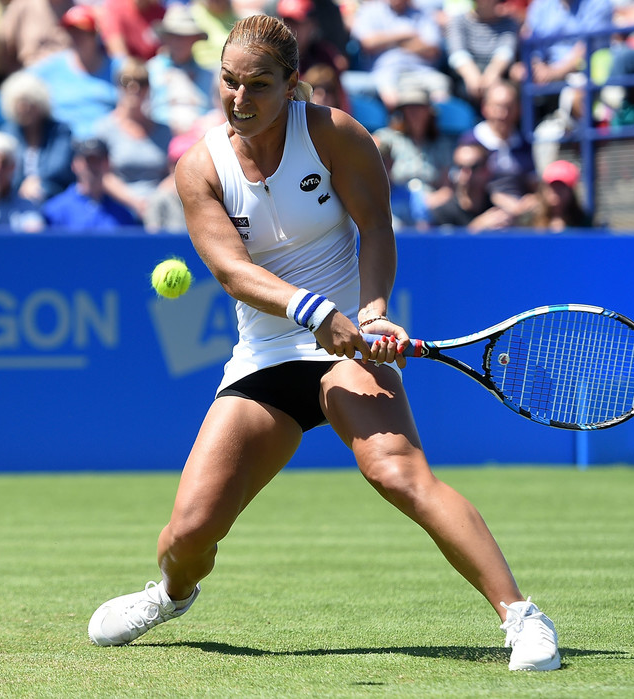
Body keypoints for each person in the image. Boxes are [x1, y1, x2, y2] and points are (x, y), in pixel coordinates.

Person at [86, 14, 561, 673]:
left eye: (257, 85)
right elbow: (231, 271)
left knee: (399, 473)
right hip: (266, 359)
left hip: (351, 351)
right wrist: (314, 310)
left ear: (292, 87)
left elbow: (376, 226)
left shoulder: (337, 136)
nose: (239, 99)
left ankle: (523, 617)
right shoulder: (201, 168)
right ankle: (170, 593)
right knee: (188, 533)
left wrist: (372, 309)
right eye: (227, 82)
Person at [93, 58, 172, 220]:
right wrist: (135, 202)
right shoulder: (104, 129)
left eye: (141, 83)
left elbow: (175, 173)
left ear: (148, 89)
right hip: (117, 210)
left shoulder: (165, 131)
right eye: (127, 81)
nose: (134, 88)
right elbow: (103, 175)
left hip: (158, 209)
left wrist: (156, 200)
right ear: (118, 86)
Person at [26, 4, 121, 139]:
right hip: (63, 144)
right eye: (71, 32)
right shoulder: (51, 67)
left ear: (94, 33)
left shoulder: (118, 67)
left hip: (106, 144)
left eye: (82, 32)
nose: (76, 37)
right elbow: (20, 85)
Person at [372, 85, 456, 228]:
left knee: (446, 227)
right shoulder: (392, 138)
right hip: (396, 203)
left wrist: (430, 201)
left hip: (431, 203)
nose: (414, 113)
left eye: (419, 107)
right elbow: (371, 143)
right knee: (391, 225)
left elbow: (447, 188)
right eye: (409, 108)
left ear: (429, 111)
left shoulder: (442, 144)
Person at [349, 0, 450, 110]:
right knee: (391, 101)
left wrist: (387, 42)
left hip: (422, 71)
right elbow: (368, 43)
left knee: (442, 100)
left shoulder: (423, 14)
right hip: (386, 72)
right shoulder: (371, 11)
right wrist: (405, 36)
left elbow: (432, 50)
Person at [0, 71, 75, 204]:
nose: (25, 109)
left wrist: (36, 181)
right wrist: (22, 185)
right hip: (15, 194)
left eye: (29, 103)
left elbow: (59, 166)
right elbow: (5, 166)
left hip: (53, 193)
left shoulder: (60, 130)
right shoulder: (7, 132)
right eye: (20, 104)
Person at [470, 80, 539, 222]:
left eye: (509, 107)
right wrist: (501, 201)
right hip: (483, 214)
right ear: (485, 108)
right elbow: (466, 186)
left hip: (520, 215)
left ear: (519, 109)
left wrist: (532, 200)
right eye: (498, 107)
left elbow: (534, 185)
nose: (503, 114)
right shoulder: (471, 141)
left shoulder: (524, 144)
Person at [146, 4, 217, 136]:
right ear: (165, 38)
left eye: (185, 36)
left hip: (199, 140)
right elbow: (144, 111)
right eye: (173, 36)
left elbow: (215, 112)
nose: (178, 42)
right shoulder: (151, 70)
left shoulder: (210, 76)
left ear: (194, 39)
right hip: (161, 138)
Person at [41, 137, 139, 230]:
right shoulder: (54, 210)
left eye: (98, 161)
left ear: (107, 164)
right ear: (75, 164)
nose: (93, 166)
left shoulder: (122, 214)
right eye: (88, 161)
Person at [444, 0, 520, 105]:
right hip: (466, 78)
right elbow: (457, 52)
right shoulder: (458, 21)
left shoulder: (509, 22)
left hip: (498, 76)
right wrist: (472, 77)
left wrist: (492, 76)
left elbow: (506, 51)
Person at [429, 138, 513, 231]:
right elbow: (447, 245)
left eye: (474, 167)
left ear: (487, 170)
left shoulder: (497, 208)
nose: (466, 173)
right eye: (460, 167)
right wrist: (478, 226)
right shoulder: (442, 213)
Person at [0, 0, 73, 75]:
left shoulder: (78, 7)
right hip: (30, 74)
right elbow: (5, 46)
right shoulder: (23, 4)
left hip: (70, 76)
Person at [530, 158, 592, 231]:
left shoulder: (583, 223)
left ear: (570, 191)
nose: (556, 191)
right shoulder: (530, 219)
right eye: (552, 186)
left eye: (561, 186)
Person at [99, 0, 166, 63]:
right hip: (131, 71)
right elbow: (119, 56)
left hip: (159, 69)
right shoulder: (114, 9)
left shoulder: (160, 11)